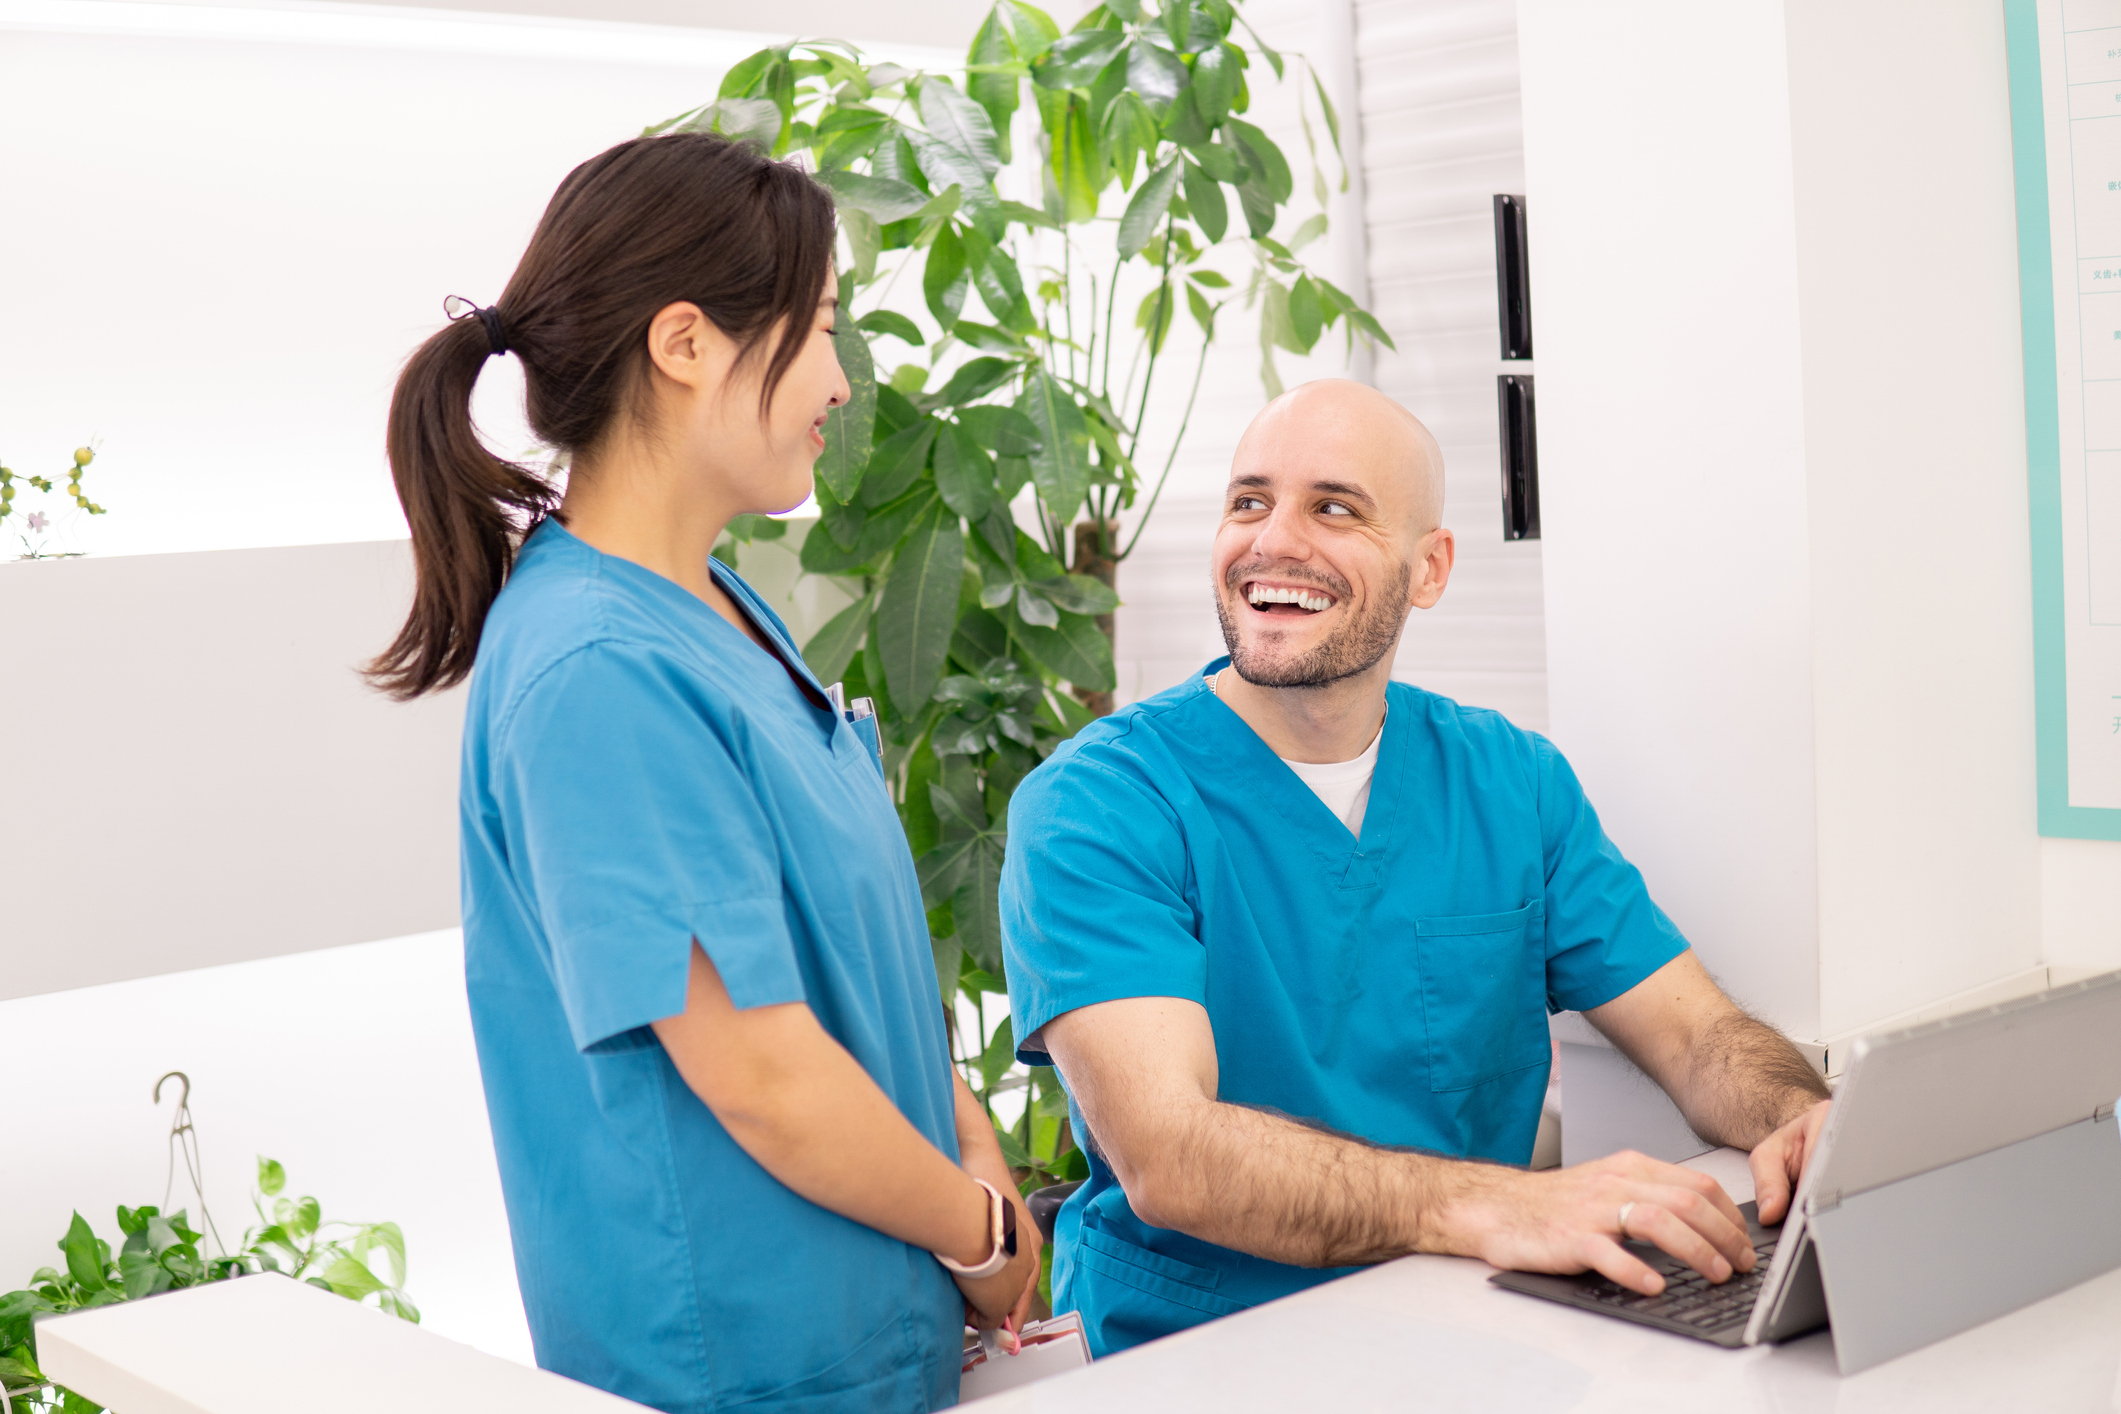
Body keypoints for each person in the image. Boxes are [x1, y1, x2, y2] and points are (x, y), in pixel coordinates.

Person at [367, 133, 1039, 1413]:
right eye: (823, 328)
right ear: (685, 345)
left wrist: (973, 1146)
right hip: (748, 1367)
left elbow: (845, 976)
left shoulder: (720, 608)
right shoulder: (599, 673)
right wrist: (984, 1234)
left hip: (871, 1337)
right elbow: (768, 1081)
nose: (841, 384)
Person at [998, 379, 1831, 1357]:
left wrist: (1802, 1119)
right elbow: (1168, 1153)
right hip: (1206, 1351)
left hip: (1473, 1326)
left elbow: (1696, 1038)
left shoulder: (1510, 781)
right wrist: (1504, 1204)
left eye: (1335, 507)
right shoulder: (1100, 802)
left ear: (1428, 568)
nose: (1273, 541)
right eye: (1249, 500)